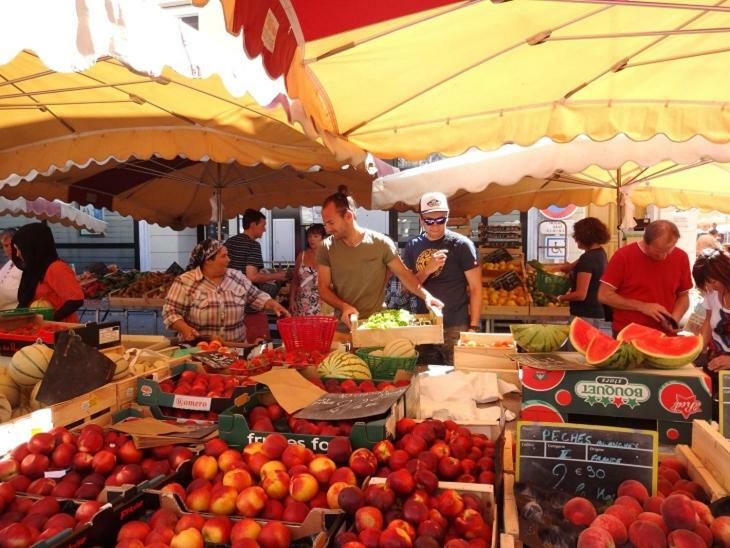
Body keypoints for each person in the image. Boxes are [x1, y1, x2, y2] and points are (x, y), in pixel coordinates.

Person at [316, 186, 443, 331]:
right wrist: (343, 306)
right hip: (343, 327)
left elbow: (405, 275)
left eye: (331, 223)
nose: (327, 229)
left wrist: (427, 297)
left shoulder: (381, 243)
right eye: (325, 223)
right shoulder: (326, 248)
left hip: (375, 326)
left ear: (348, 216)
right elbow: (323, 288)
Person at [403, 192, 481, 364]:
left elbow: (475, 288)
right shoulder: (412, 246)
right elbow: (407, 287)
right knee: (423, 378)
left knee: (458, 376)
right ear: (421, 220)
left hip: (455, 325)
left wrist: (473, 327)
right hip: (423, 324)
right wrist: (428, 269)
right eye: (430, 221)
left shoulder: (461, 245)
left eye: (441, 220)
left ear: (447, 217)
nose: (435, 226)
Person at [163, 239, 288, 343]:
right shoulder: (185, 282)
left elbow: (256, 296)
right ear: (208, 260)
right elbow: (170, 312)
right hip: (199, 350)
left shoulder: (236, 277)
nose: (228, 259)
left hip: (235, 349)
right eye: (223, 256)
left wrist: (272, 304)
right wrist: (185, 329)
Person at [598, 220, 692, 335]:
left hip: (664, 335)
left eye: (669, 249)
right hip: (628, 332)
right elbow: (604, 295)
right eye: (658, 252)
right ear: (645, 242)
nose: (664, 256)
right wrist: (642, 306)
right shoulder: (623, 256)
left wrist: (673, 320)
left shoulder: (681, 257)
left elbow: (683, 296)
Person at [225, 209, 286, 340]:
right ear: (253, 225)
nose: (264, 230)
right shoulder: (253, 245)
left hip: (229, 306)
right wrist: (277, 275)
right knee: (258, 345)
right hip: (249, 306)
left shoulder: (229, 242)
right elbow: (252, 276)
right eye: (263, 225)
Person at [11, 223, 84, 322]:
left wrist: (51, 319)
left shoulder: (56, 268)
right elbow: (24, 303)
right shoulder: (33, 270)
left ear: (33, 246)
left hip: (60, 331)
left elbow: (75, 300)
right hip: (39, 330)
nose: (17, 254)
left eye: (20, 248)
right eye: (16, 249)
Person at [555, 217, 611, 333]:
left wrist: (559, 298)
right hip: (596, 311)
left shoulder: (588, 258)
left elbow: (580, 294)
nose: (575, 239)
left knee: (578, 349)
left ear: (584, 237)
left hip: (586, 316)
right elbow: (570, 267)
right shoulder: (599, 252)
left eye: (577, 236)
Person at [289, 223, 326, 316]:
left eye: (315, 236)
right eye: (309, 236)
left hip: (322, 302)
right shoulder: (302, 255)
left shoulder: (329, 256)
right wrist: (291, 300)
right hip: (302, 302)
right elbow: (295, 281)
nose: (311, 239)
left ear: (323, 238)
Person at [0, 229, 21, 310]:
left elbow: (22, 292)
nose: (7, 249)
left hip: (15, 312)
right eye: (4, 246)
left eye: (8, 245)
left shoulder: (26, 264)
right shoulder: (8, 263)